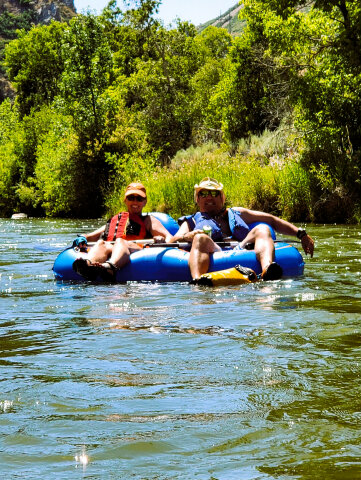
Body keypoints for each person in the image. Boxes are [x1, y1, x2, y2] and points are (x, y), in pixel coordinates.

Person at [171, 177, 314, 282]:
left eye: (214, 193)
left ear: (222, 197)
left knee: (263, 228)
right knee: (200, 238)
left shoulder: (237, 213)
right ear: (197, 199)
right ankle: (198, 280)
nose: (209, 196)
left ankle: (267, 270)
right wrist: (187, 236)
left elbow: (272, 220)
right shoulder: (191, 220)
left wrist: (301, 234)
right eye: (203, 193)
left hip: (240, 248)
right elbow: (173, 240)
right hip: (213, 250)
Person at [72, 182, 173, 281]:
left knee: (120, 241)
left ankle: (109, 268)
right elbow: (90, 236)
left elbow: (170, 238)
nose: (135, 202)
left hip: (135, 249)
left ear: (144, 202)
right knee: (101, 243)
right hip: (113, 248)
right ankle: (88, 266)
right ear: (125, 200)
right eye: (131, 198)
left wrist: (161, 239)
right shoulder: (116, 220)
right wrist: (82, 238)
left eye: (139, 199)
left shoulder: (148, 220)